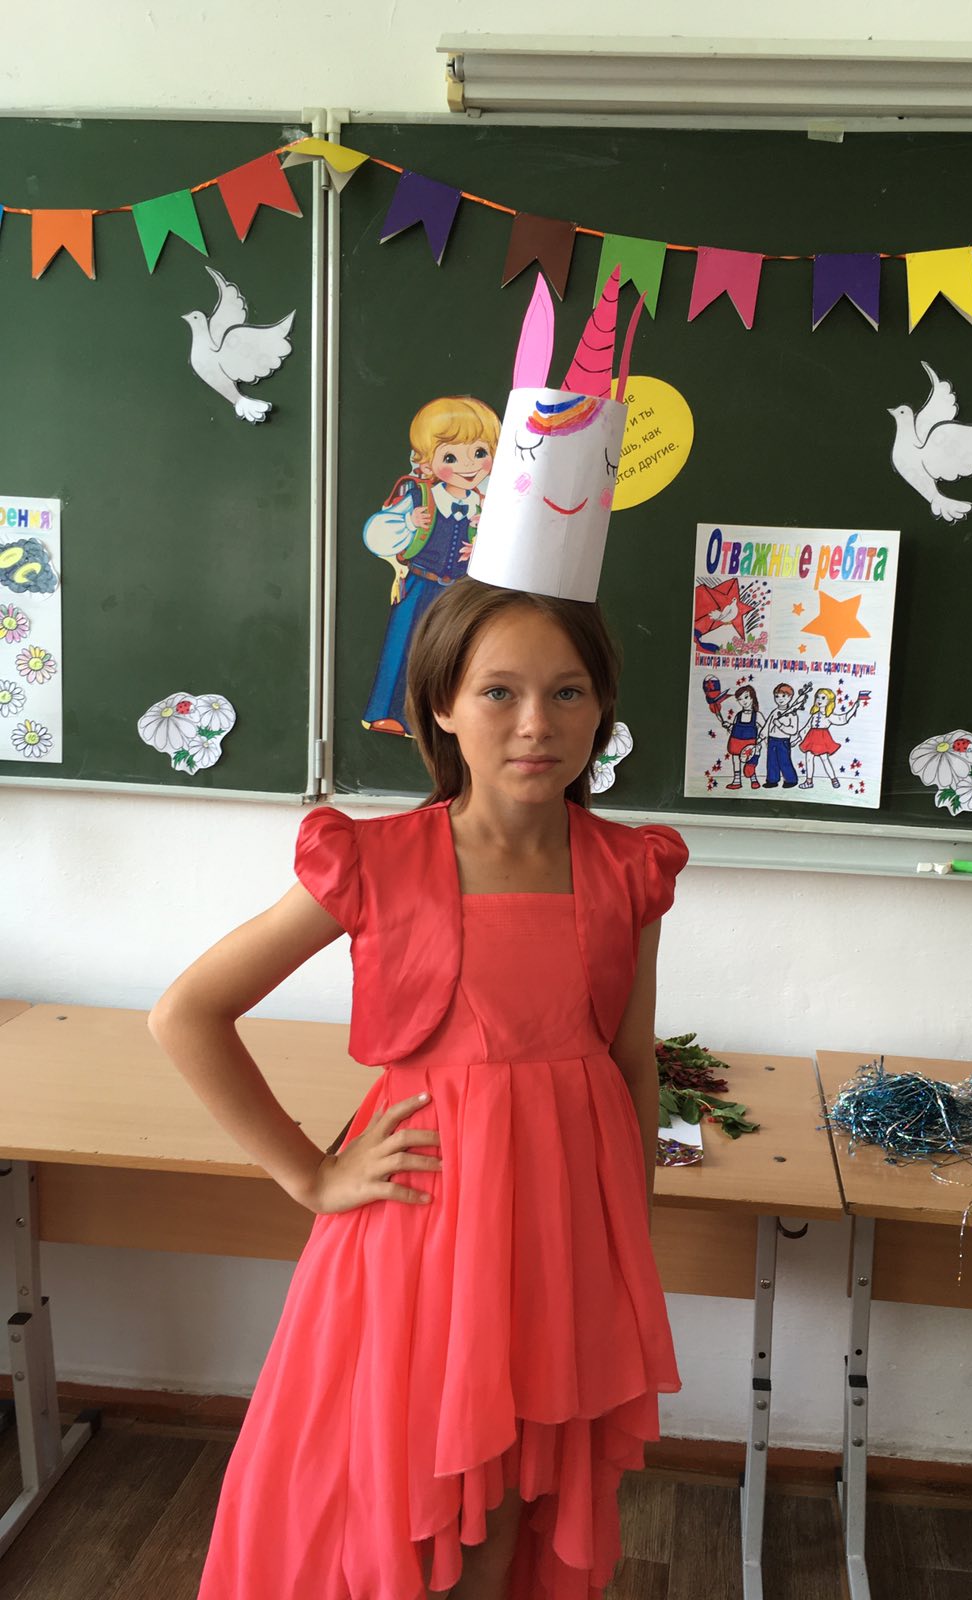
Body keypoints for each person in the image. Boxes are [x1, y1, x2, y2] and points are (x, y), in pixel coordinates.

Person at [149, 577, 685, 1600]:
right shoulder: (378, 863)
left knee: (510, 1505)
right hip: (424, 1241)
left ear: (601, 707)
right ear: (441, 704)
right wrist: (311, 1174)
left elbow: (629, 1062)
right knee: (413, 1502)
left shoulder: (628, 872)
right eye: (499, 692)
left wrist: (629, 1245)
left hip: (562, 1240)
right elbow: (188, 1012)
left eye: (568, 692)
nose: (537, 724)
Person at [362, 395, 501, 737]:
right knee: (404, 649)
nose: (468, 465)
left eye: (479, 453)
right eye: (451, 457)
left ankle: (444, 717)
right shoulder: (420, 497)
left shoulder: (485, 506)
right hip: (420, 586)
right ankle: (390, 712)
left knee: (456, 653)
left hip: (463, 593)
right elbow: (377, 535)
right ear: (427, 462)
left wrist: (480, 547)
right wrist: (409, 522)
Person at [794, 686, 864, 788]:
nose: (819, 700)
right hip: (811, 738)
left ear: (829, 701)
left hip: (822, 738)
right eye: (818, 697)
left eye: (823, 698)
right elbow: (806, 728)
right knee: (809, 758)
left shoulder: (829, 715)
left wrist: (854, 707)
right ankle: (809, 781)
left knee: (824, 759)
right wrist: (797, 740)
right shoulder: (814, 715)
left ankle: (833, 779)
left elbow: (842, 719)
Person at [719, 683, 764, 790]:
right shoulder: (738, 715)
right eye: (740, 699)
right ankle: (737, 780)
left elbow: (765, 729)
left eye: (746, 697)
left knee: (750, 763)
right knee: (736, 760)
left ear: (752, 697)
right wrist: (728, 726)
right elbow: (734, 728)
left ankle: (753, 779)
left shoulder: (757, 715)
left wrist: (760, 740)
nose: (743, 701)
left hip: (750, 744)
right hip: (736, 742)